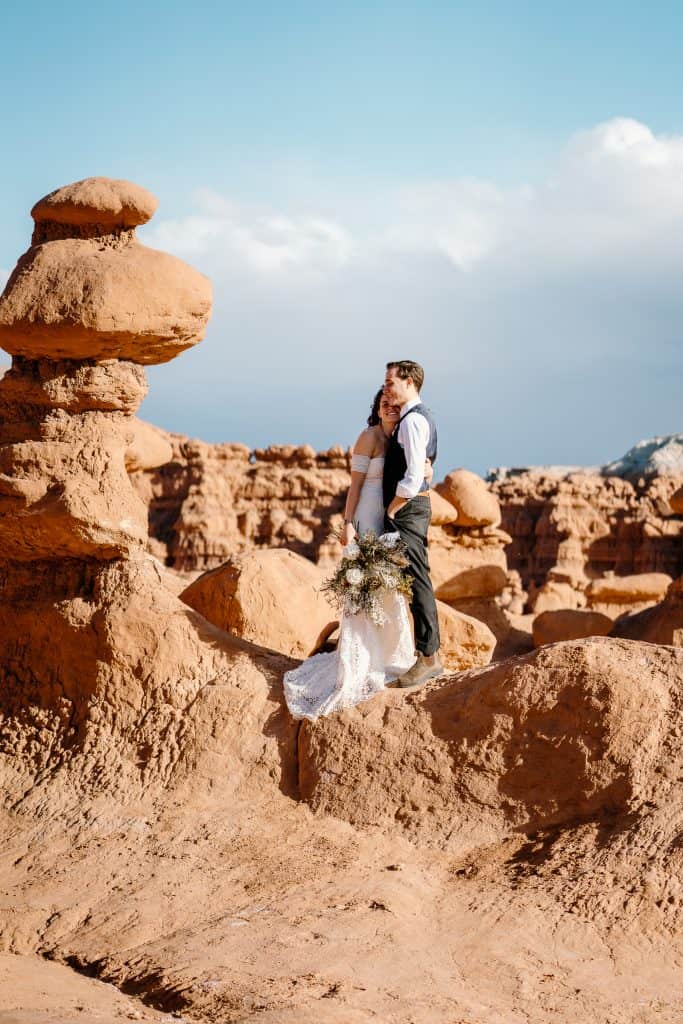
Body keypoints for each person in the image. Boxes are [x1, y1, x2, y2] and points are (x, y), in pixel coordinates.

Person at [283, 389, 420, 720]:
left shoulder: (399, 440)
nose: (390, 409)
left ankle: (389, 657)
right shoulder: (369, 438)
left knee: (387, 587)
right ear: (376, 408)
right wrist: (347, 523)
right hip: (366, 516)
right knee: (365, 588)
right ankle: (360, 661)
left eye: (395, 405)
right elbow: (355, 486)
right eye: (384, 404)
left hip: (388, 521)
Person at [383, 359, 443, 689]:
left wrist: (394, 507)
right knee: (413, 576)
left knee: (416, 578)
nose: (387, 387)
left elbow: (413, 476)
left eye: (391, 382)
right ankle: (427, 654)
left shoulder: (412, 422)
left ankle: (429, 657)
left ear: (409, 382)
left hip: (409, 508)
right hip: (414, 507)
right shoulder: (415, 419)